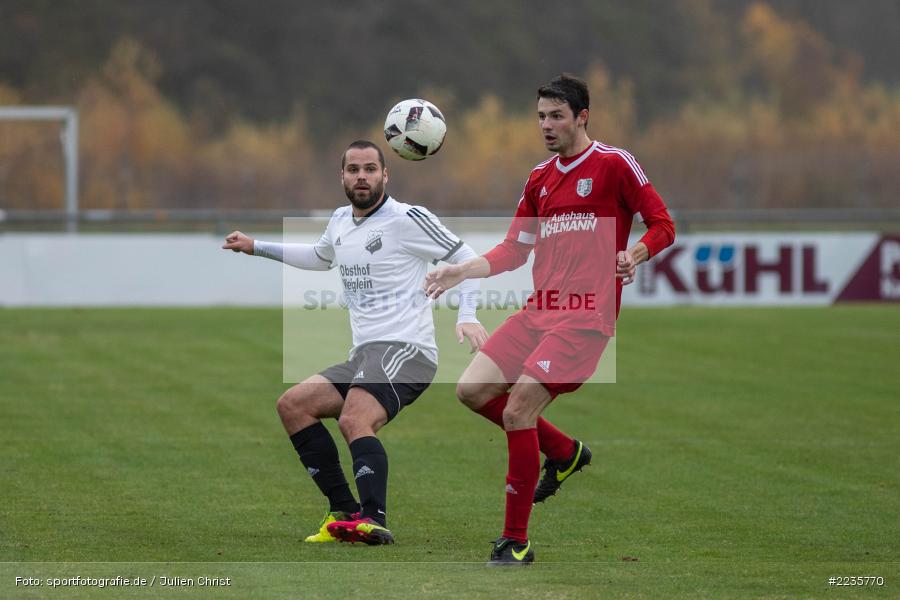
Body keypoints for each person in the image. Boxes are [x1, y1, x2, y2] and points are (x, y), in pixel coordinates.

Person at [425, 74, 675, 565]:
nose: (546, 125)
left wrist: (637, 254)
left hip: (584, 318)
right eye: (541, 116)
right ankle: (562, 452)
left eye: (556, 116)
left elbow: (663, 224)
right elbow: (514, 251)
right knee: (471, 390)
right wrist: (462, 270)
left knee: (519, 411)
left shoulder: (612, 164)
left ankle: (514, 541)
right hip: (540, 311)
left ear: (582, 117)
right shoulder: (540, 178)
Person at [224, 140, 488, 545]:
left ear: (386, 174)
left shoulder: (407, 218)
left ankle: (373, 518)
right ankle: (342, 512)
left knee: (354, 419)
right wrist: (256, 247)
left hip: (407, 350)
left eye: (369, 169)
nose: (361, 176)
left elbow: (470, 260)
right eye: (353, 169)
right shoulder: (340, 221)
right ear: (342, 176)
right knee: (294, 406)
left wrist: (467, 316)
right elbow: (320, 256)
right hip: (366, 354)